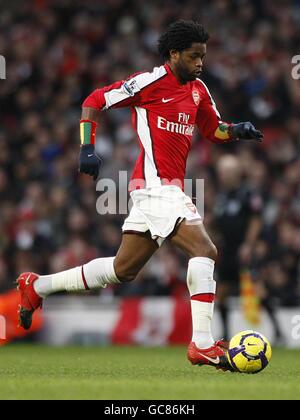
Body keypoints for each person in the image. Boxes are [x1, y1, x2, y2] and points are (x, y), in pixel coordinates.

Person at [16, 20, 263, 371]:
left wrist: (236, 130)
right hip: (155, 186)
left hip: (163, 189)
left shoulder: (198, 90)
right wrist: (87, 147)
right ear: (174, 54)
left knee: (122, 270)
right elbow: (94, 100)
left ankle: (37, 287)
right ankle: (203, 344)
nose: (200, 64)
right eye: (194, 57)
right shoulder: (148, 83)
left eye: (203, 57)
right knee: (205, 250)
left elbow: (213, 130)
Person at [215, 155, 284, 343]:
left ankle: (278, 331)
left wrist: (248, 244)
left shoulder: (248, 193)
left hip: (244, 249)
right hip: (227, 251)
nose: (223, 175)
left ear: (237, 172)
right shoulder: (221, 196)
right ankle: (226, 333)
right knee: (221, 292)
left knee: (258, 288)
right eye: (221, 172)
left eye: (227, 171)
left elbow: (256, 220)